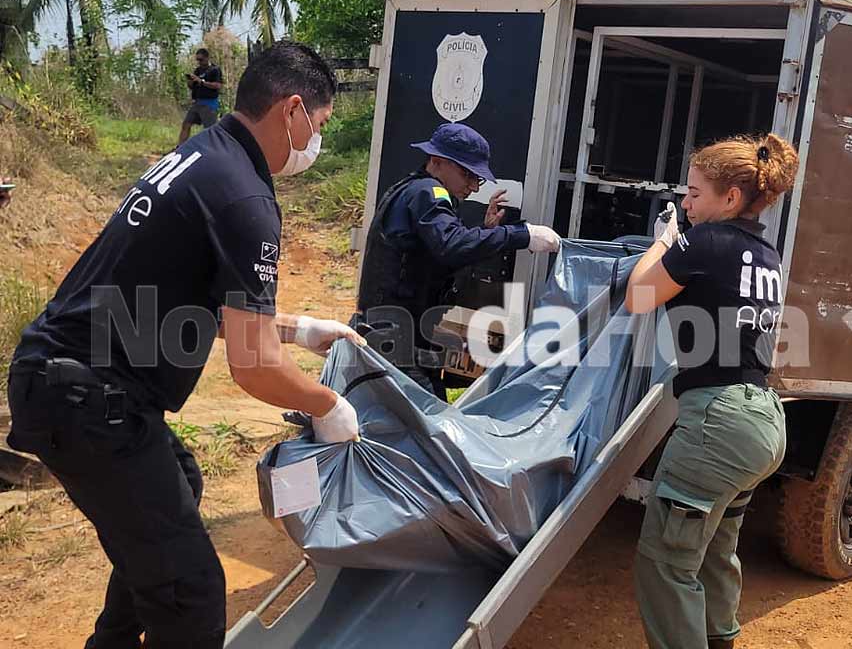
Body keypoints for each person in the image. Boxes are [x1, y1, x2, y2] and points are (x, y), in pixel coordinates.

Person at [7, 41, 362, 649]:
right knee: (192, 599)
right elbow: (251, 369)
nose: (315, 143)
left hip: (64, 377)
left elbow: (185, 300)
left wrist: (296, 328)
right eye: (321, 126)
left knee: (180, 481)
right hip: (90, 399)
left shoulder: (202, 156)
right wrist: (327, 406)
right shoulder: (246, 198)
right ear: (293, 110)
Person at [624, 134, 800, 649]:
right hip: (763, 418)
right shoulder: (767, 254)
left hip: (717, 423)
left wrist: (663, 241)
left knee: (665, 564)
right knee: (717, 549)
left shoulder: (707, 242)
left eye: (695, 193)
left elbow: (639, 296)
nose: (686, 202)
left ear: (730, 198)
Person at [356, 122, 562, 400]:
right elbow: (452, 245)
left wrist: (486, 233)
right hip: (397, 342)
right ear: (437, 161)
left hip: (394, 337)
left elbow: (441, 252)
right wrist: (522, 235)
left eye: (478, 178)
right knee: (434, 429)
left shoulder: (411, 189)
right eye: (467, 174)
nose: (473, 185)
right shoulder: (429, 193)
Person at [179, 48, 224, 145]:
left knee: (210, 130)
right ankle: (180, 147)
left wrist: (202, 82)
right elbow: (193, 87)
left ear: (207, 58)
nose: (199, 62)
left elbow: (218, 85)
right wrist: (190, 82)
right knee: (186, 124)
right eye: (197, 60)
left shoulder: (214, 70)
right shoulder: (197, 70)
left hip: (209, 105)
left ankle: (214, 150)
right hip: (197, 103)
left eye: (201, 59)